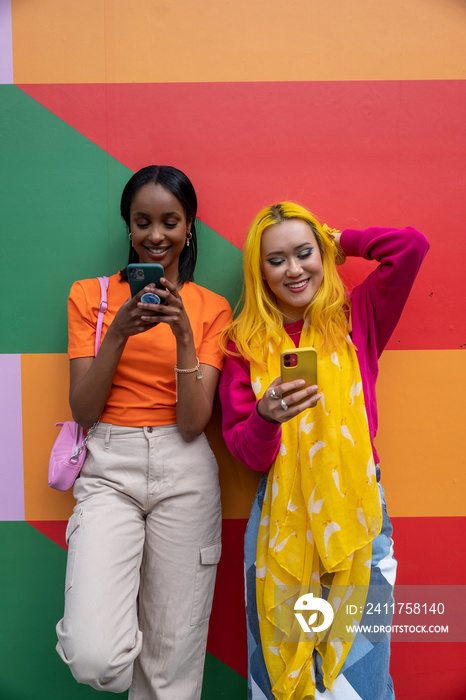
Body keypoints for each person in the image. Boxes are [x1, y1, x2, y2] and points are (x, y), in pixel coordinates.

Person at [219, 202, 429, 699]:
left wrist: (340, 242)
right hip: (280, 525)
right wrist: (267, 418)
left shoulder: (358, 317)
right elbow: (245, 453)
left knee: (362, 680)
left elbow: (410, 247)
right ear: (259, 271)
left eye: (304, 252)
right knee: (280, 677)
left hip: (359, 516)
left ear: (322, 252)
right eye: (276, 260)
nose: (293, 269)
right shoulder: (240, 346)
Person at [56, 165, 232, 699]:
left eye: (170, 222)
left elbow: (192, 421)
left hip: (185, 471)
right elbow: (84, 411)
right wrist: (118, 334)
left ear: (190, 227)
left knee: (170, 672)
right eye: (143, 222)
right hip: (109, 467)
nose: (157, 236)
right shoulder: (91, 296)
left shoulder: (210, 309)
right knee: (94, 653)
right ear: (128, 227)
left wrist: (182, 336)